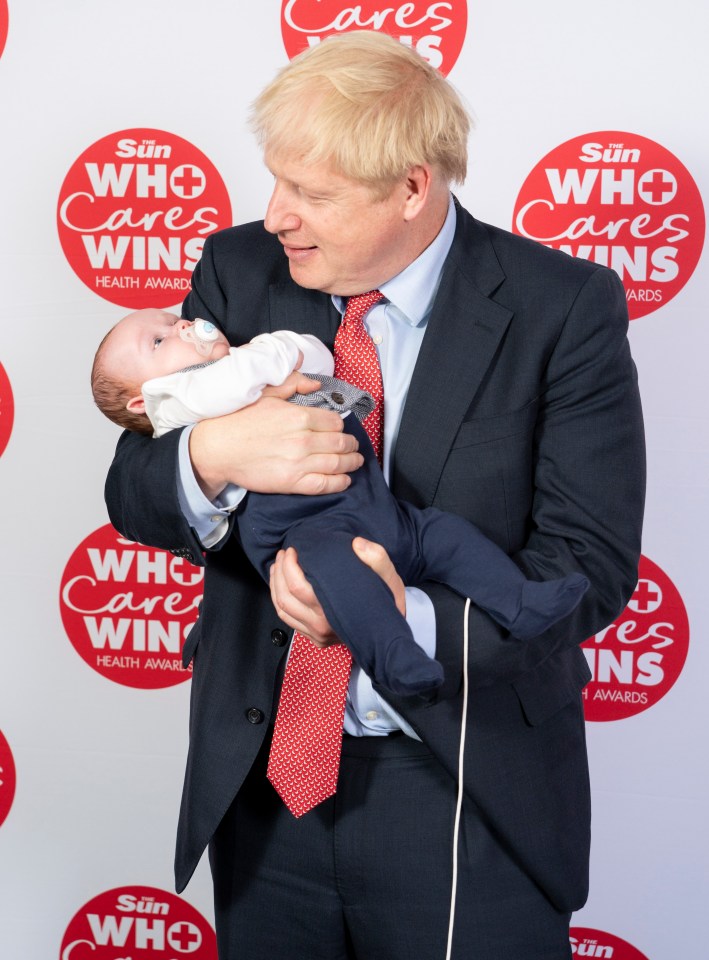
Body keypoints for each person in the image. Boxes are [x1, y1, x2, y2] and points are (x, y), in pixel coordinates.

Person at [103, 30, 645, 960]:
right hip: (268, 783)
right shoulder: (238, 272)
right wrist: (218, 452)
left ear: (411, 186)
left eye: (312, 195)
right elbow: (134, 489)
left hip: (467, 787)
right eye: (275, 181)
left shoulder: (563, 306)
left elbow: (587, 568)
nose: (277, 215)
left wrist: (402, 622)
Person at [92, 309, 589, 696]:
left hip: (378, 507)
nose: (180, 325)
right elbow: (223, 391)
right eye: (158, 341)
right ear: (142, 400)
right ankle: (394, 655)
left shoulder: (231, 363)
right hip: (309, 533)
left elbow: (316, 357)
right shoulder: (174, 401)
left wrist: (277, 353)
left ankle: (518, 601)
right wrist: (224, 429)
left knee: (445, 535)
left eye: (170, 319)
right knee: (344, 577)